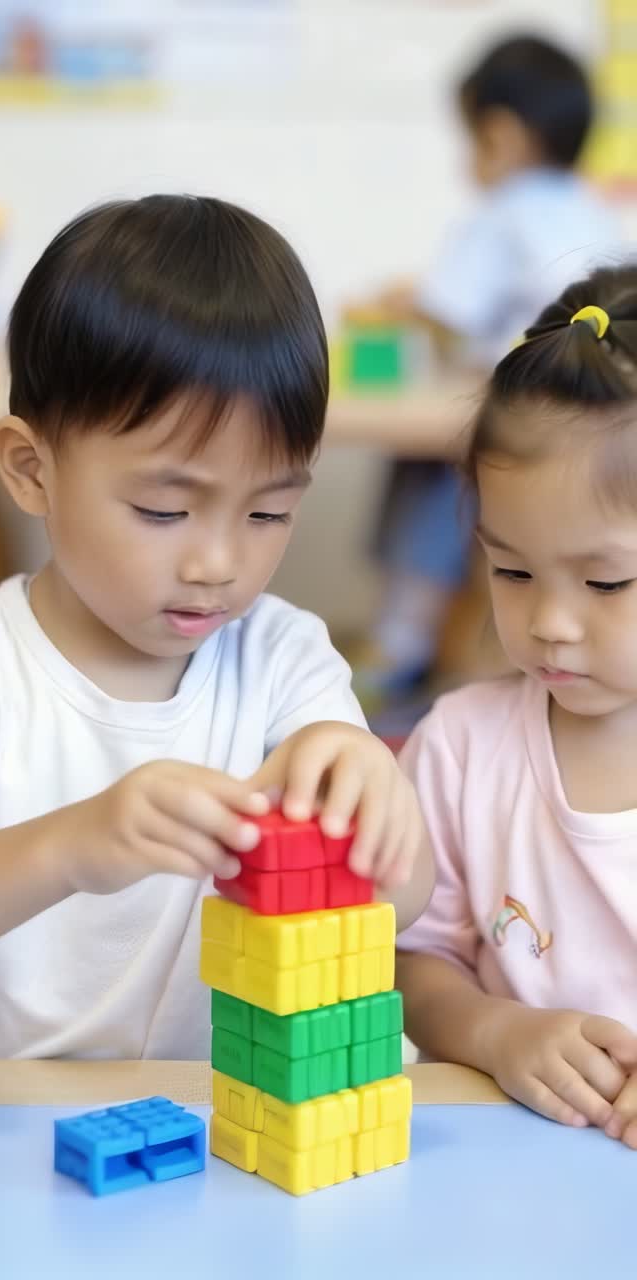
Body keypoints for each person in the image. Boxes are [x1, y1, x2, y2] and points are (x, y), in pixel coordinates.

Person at [0, 194, 433, 1059]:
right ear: (30, 469)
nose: (217, 564)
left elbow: (402, 905)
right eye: (163, 510)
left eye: (268, 514)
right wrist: (72, 846)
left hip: (222, 1128)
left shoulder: (284, 659)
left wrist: (377, 813)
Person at [396, 263, 637, 1152]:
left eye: (607, 581)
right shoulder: (460, 750)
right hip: (505, 1174)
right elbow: (414, 961)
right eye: (512, 571)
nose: (550, 625)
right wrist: (495, 1032)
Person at [349, 34, 619, 693]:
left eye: (470, 140)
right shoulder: (598, 211)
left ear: (499, 136)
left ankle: (399, 638)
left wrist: (402, 302)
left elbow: (452, 314)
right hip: (602, 414)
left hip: (519, 412)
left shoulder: (499, 215)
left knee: (428, 478)